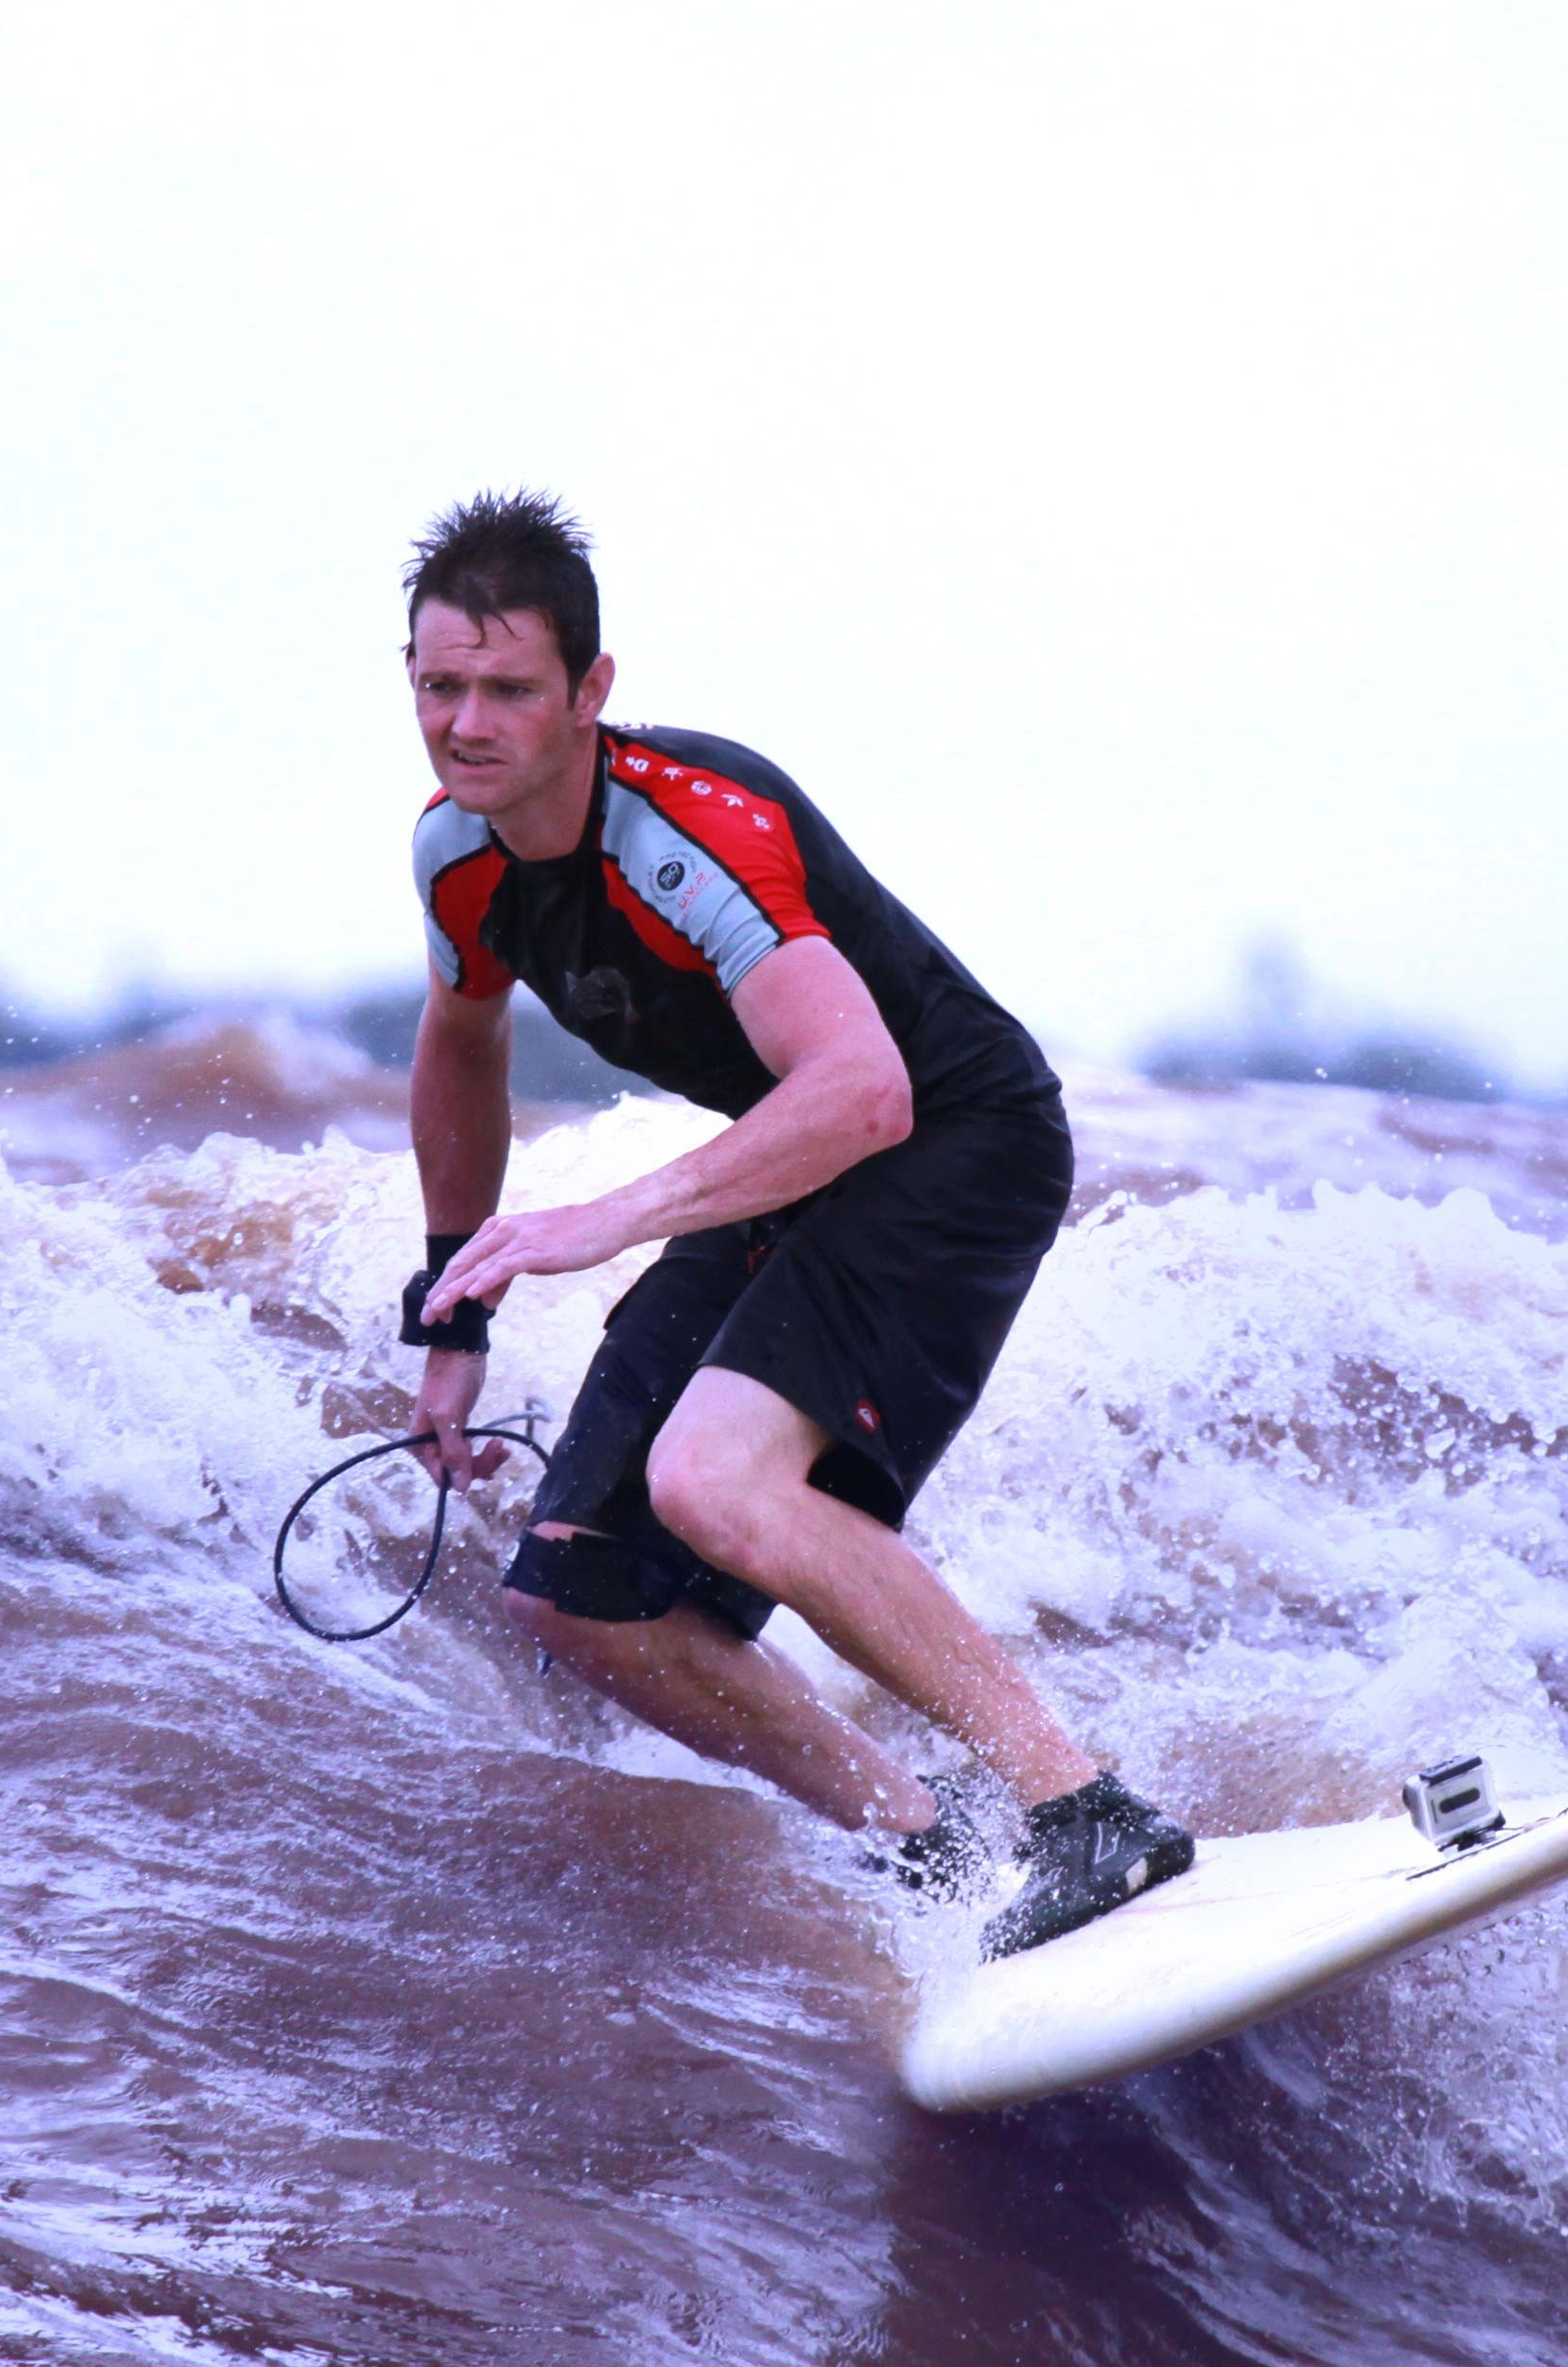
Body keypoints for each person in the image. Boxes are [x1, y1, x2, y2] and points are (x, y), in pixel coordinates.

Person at [387, 492, 1188, 1957]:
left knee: (712, 1479)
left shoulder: (689, 831)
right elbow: (462, 1045)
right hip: (804, 1164)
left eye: (510, 687)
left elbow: (866, 1091)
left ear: (590, 693)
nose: (470, 721)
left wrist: (611, 1218)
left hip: (952, 1143)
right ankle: (938, 1855)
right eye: (441, 685)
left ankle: (1090, 1818)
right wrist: (457, 1304)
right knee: (578, 1590)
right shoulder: (459, 858)